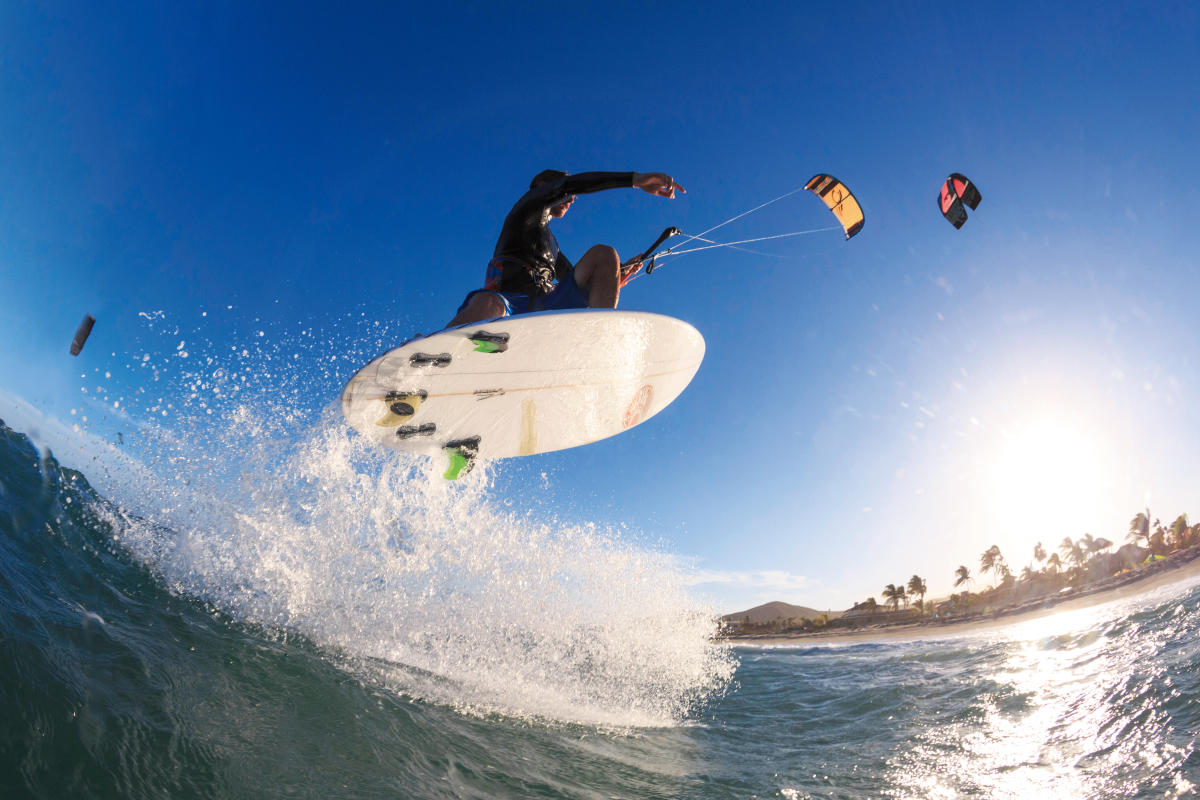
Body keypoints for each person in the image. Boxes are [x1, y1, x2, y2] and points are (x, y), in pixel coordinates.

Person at [447, 170, 685, 327]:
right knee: (490, 304)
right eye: (567, 194)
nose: (572, 199)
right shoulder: (527, 210)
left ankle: (600, 335)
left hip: (547, 305)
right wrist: (635, 180)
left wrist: (617, 272)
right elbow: (569, 184)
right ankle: (431, 355)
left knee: (604, 255)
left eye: (573, 197)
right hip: (509, 302)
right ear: (542, 187)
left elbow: (578, 279)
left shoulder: (552, 247)